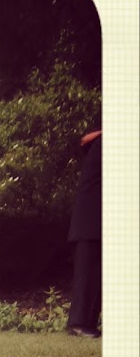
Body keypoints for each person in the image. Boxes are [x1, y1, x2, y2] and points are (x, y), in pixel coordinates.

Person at [66, 129, 101, 338]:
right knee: (88, 273)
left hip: (96, 218)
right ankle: (78, 323)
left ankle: (86, 322)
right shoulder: (107, 144)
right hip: (91, 218)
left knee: (95, 274)